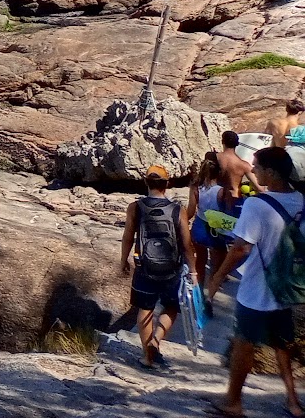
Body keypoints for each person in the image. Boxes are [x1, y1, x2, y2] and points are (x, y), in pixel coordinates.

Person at [204, 146, 305, 417]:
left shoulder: (256, 204)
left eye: (257, 167)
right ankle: (293, 401)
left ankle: (233, 402)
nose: (254, 170)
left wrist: (216, 277)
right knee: (282, 344)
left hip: (257, 289)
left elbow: (241, 248)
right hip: (286, 284)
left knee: (243, 343)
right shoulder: (302, 201)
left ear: (271, 172)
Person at [119, 164, 191, 368]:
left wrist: (123, 260)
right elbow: (186, 243)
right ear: (167, 185)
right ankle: (156, 339)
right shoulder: (178, 209)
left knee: (145, 308)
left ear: (145, 183)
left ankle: (147, 356)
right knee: (171, 307)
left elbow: (127, 237)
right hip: (171, 268)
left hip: (145, 267)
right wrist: (192, 269)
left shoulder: (136, 207)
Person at [187, 151, 229, 286]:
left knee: (200, 261)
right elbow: (227, 211)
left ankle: (198, 292)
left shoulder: (195, 188)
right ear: (219, 172)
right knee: (216, 265)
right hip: (215, 229)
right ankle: (211, 293)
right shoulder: (222, 191)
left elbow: (191, 211)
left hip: (199, 227)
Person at [220, 130, 261, 210]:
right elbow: (259, 188)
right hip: (234, 200)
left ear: (222, 142)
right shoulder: (243, 165)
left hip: (217, 198)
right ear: (237, 144)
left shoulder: (214, 158)